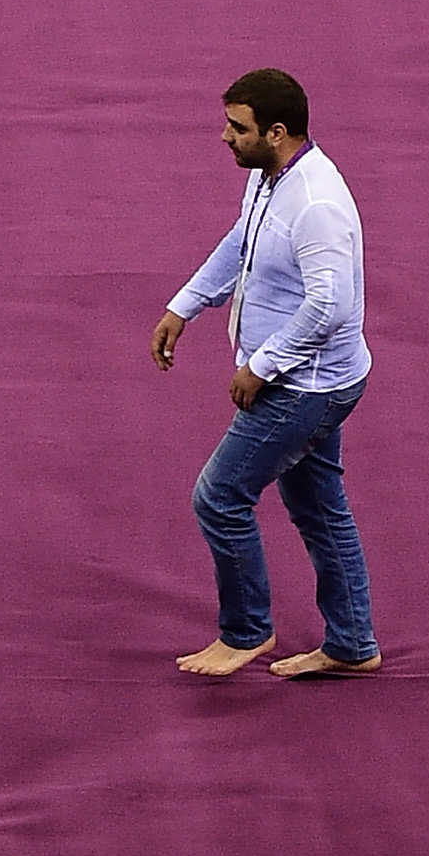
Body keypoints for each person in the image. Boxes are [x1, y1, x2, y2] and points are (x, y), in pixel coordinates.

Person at [152, 66, 380, 681]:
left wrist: (262, 364)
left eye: (237, 127)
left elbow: (328, 305)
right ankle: (354, 642)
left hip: (304, 387)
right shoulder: (270, 177)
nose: (225, 137)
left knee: (220, 497)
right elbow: (243, 243)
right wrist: (186, 305)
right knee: (320, 507)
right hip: (312, 380)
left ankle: (246, 632)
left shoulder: (316, 204)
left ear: (276, 132)